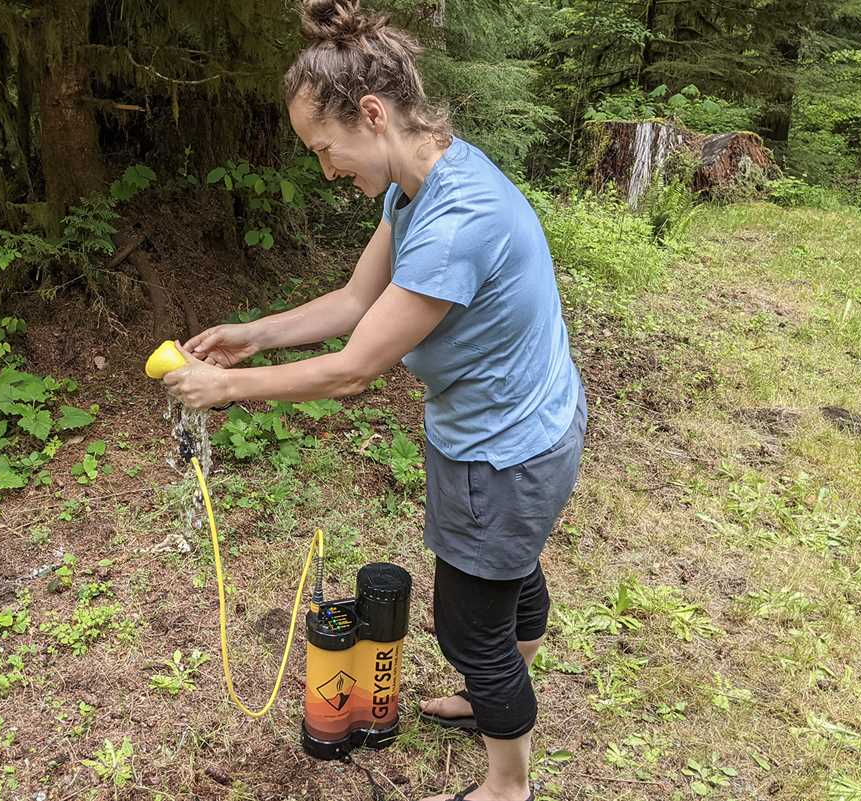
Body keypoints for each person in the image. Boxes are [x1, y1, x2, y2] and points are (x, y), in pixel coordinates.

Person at [162, 2, 585, 799]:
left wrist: (227, 388)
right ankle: (497, 690)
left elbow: (354, 369)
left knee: (469, 625)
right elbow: (356, 301)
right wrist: (252, 335)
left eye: (325, 149)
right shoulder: (419, 184)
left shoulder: (458, 219)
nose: (325, 169)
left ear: (372, 113)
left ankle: (509, 783)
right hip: (527, 423)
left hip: (506, 448)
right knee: (506, 573)